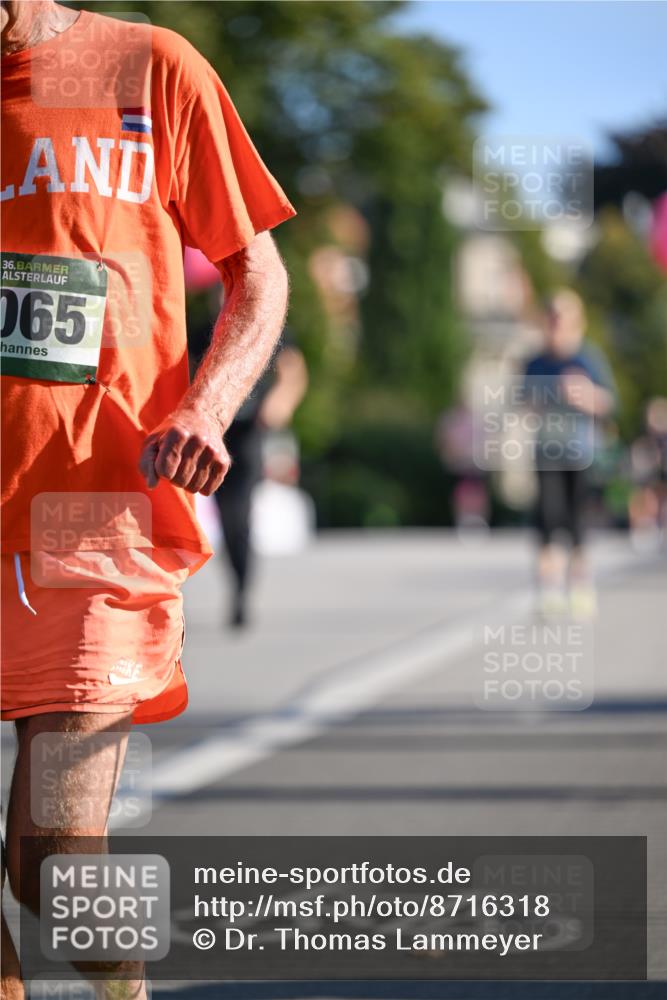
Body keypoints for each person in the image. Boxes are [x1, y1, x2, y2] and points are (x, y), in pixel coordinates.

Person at [1, 2, 295, 997]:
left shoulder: (147, 67)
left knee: (53, 864)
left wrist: (208, 407)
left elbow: (257, 271)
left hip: (93, 519)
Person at [188, 283, 308, 627]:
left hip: (250, 433)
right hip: (214, 434)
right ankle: (236, 580)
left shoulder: (265, 327)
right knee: (227, 517)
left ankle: (242, 590)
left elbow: (293, 373)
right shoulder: (202, 332)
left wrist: (279, 404)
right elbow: (184, 373)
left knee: (239, 515)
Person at [523, 289, 616, 618]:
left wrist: (585, 395)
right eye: (552, 318)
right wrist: (547, 395)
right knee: (548, 521)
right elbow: (523, 403)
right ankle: (549, 590)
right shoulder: (535, 361)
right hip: (547, 451)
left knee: (578, 525)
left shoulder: (588, 358)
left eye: (562, 319)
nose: (557, 325)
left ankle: (580, 587)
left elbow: (609, 403)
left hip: (580, 452)